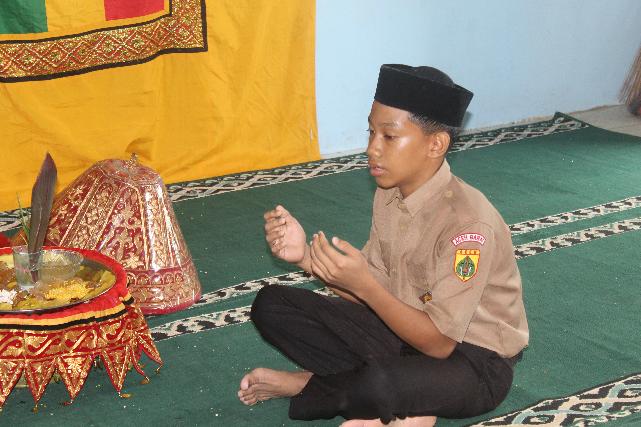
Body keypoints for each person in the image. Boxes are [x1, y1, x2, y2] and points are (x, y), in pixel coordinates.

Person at [238, 64, 529, 426]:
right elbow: (375, 283)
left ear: (436, 144)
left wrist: (366, 287)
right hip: (405, 334)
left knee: (381, 383)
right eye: (371, 132)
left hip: (472, 360)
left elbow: (440, 344)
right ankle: (403, 402)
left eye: (389, 136)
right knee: (272, 305)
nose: (372, 148)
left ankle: (310, 386)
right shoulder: (389, 194)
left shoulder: (468, 225)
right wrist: (305, 258)